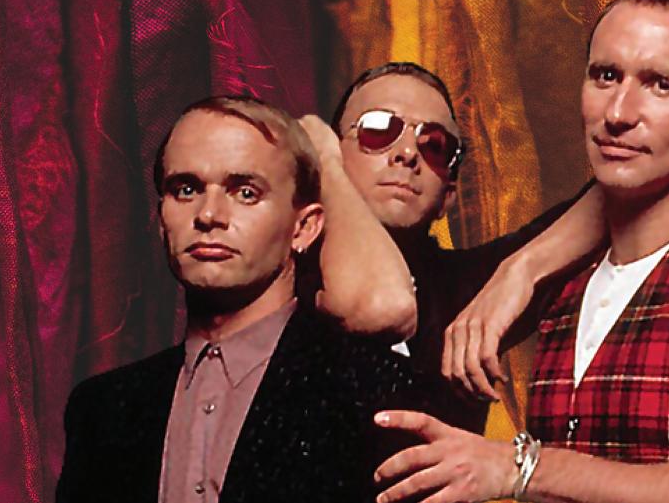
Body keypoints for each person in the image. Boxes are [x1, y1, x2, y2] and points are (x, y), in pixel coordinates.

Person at [371, 0, 669, 503]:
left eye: (660, 85)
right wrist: (522, 269)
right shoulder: (567, 275)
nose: (618, 112)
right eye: (606, 76)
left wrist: (523, 468)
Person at [302, 62, 669, 432]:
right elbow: (377, 302)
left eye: (436, 145)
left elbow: (617, 201)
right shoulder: (275, 272)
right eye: (378, 130)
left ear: (448, 196)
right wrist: (319, 161)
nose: (408, 153)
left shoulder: (469, 289)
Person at [57, 96, 434, 503]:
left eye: (246, 193)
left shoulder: (378, 393)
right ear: (162, 220)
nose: (209, 215)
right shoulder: (102, 409)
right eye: (186, 189)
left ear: (304, 228)